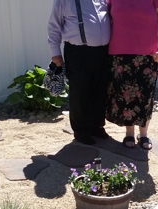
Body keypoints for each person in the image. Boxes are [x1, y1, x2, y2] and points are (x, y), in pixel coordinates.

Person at [106, 0, 158, 150]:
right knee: (125, 95)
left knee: (145, 95)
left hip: (148, 55)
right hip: (118, 53)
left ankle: (143, 134)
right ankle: (129, 132)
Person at [47, 0, 111, 145]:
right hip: (78, 52)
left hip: (102, 51)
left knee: (99, 89)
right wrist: (55, 52)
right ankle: (81, 130)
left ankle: (96, 126)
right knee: (80, 91)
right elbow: (54, 25)